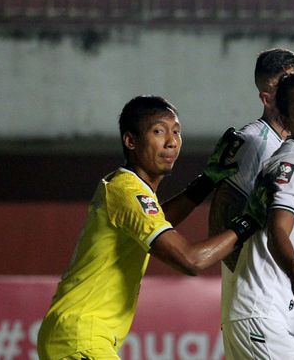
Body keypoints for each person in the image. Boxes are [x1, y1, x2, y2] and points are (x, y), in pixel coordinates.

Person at [37, 95, 260, 360]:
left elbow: (159, 220)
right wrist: (250, 221)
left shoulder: (125, 187)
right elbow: (191, 260)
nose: (171, 141)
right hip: (81, 338)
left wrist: (206, 183)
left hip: (76, 336)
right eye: (158, 131)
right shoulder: (128, 191)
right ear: (130, 141)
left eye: (176, 131)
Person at [222, 67, 294, 359]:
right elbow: (277, 231)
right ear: (285, 120)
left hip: (282, 321)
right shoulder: (290, 164)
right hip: (263, 314)